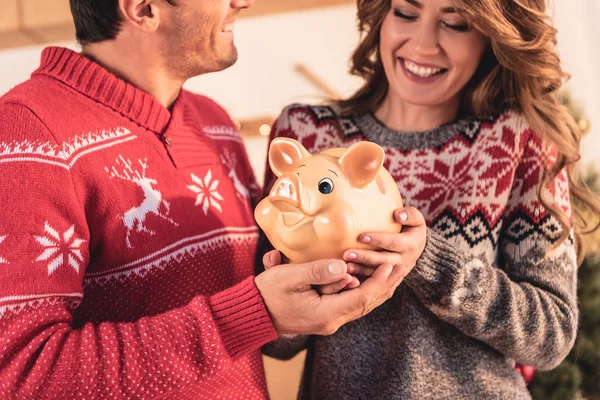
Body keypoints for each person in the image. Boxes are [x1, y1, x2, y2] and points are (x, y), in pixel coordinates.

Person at [0, 0, 410, 398]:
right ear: (143, 9)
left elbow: (263, 319)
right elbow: (20, 375)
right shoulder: (26, 132)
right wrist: (253, 314)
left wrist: (355, 268)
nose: (243, 2)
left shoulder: (214, 124)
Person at [258, 0, 600, 398]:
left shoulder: (520, 140)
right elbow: (275, 341)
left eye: (455, 23)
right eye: (405, 13)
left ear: (490, 35)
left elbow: (551, 335)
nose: (422, 45)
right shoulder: (305, 135)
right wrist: (310, 290)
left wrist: (429, 262)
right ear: (381, 17)